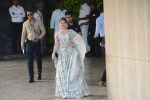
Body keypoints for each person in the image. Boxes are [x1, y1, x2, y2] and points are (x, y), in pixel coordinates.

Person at [52, 18, 90, 99]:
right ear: (59, 24)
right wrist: (53, 52)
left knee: (72, 72)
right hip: (62, 55)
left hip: (71, 54)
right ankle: (63, 90)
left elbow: (79, 39)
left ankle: (74, 90)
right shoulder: (57, 33)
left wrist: (72, 44)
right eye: (61, 23)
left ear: (66, 24)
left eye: (64, 23)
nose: (62, 24)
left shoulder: (70, 32)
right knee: (61, 72)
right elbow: (56, 44)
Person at [21, 8, 46, 83]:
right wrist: (22, 43)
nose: (29, 16)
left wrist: (39, 38)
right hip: (29, 42)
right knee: (29, 61)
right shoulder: (25, 23)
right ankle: (31, 77)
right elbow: (23, 34)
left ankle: (39, 73)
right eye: (28, 15)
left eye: (31, 14)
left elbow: (44, 31)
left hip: (37, 42)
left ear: (33, 14)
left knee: (38, 59)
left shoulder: (39, 22)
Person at [94, 9, 106, 86]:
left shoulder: (98, 19)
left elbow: (97, 31)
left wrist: (94, 37)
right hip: (111, 38)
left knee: (107, 60)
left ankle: (102, 80)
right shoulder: (110, 16)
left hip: (104, 39)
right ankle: (103, 80)